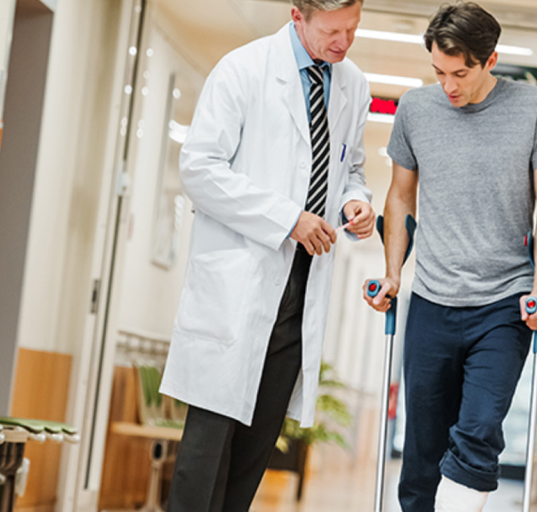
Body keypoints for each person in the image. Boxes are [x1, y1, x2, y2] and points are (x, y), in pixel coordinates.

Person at [160, 1, 375, 510]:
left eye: (353, 28)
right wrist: (288, 218)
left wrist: (355, 202)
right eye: (332, 30)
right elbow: (200, 169)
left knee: (253, 457)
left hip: (300, 292)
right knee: (205, 456)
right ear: (298, 15)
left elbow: (354, 168)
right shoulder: (244, 69)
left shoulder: (353, 85)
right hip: (239, 288)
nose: (344, 42)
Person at [364, 3, 537, 511]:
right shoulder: (416, 109)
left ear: (490, 60)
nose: (448, 85)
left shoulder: (535, 108)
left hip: (503, 304)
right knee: (422, 453)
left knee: (478, 431)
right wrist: (393, 274)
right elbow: (399, 198)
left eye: (460, 73)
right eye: (439, 72)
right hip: (432, 302)